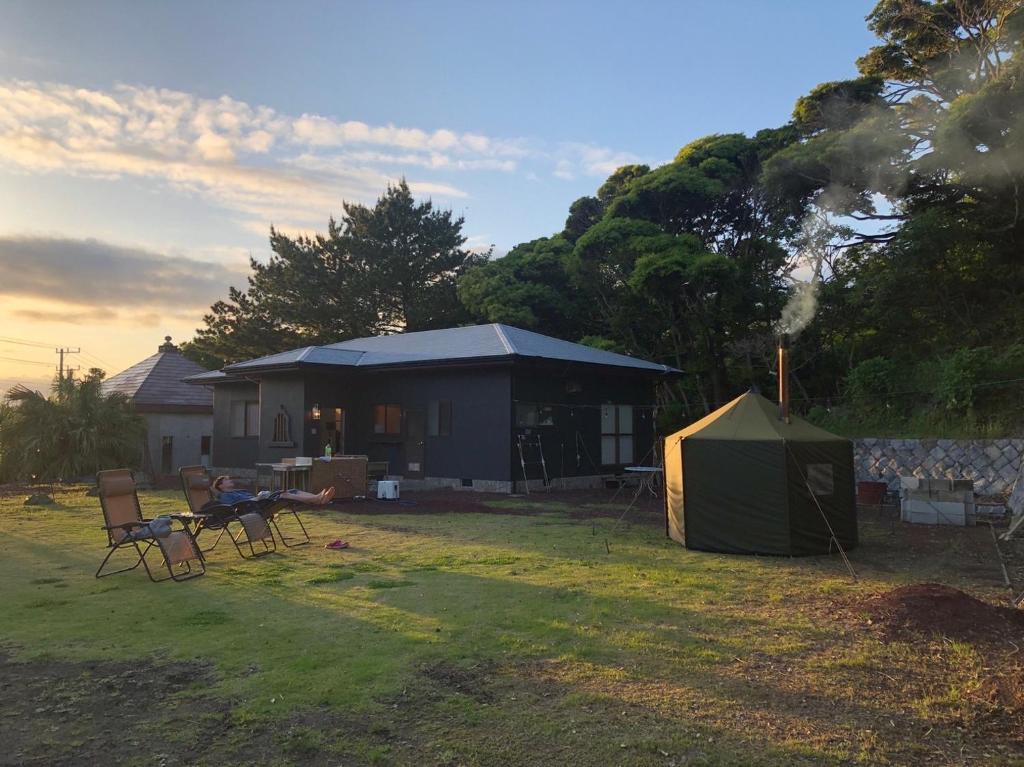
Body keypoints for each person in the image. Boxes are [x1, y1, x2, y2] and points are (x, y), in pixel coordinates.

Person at [211, 476, 336, 506]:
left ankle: (318, 497)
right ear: (221, 486)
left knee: (292, 490)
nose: (230, 480)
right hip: (256, 504)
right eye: (227, 480)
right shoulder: (224, 496)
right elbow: (237, 506)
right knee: (286, 494)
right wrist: (256, 499)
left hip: (259, 499)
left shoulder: (236, 491)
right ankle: (318, 499)